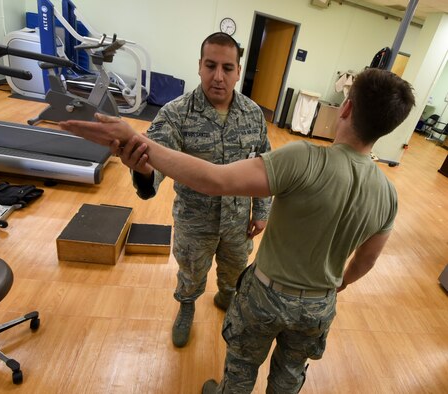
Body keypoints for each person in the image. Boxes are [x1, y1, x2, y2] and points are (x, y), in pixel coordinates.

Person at [60, 68, 415, 393]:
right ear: (388, 128)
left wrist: (135, 139)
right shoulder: (388, 195)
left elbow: (217, 180)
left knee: (243, 365)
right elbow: (366, 261)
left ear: (346, 109)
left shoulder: (305, 159)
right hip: (319, 306)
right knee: (290, 373)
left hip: (266, 297)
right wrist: (339, 284)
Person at [97, 32, 273, 348]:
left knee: (235, 271)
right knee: (191, 273)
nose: (218, 77)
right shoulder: (176, 113)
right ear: (199, 66)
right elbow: (155, 162)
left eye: (227, 68)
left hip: (236, 222)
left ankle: (226, 294)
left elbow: (264, 166)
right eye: (210, 66)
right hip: (196, 223)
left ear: (238, 70)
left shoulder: (253, 114)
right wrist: (143, 169)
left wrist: (261, 212)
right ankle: (187, 306)